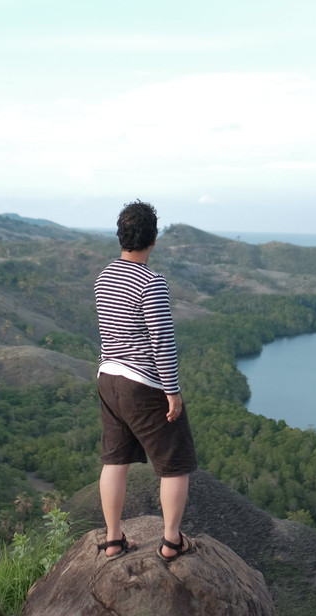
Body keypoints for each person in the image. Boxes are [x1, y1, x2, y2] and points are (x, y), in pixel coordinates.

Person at [94, 200, 198, 561]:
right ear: (153, 239)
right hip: (143, 384)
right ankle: (171, 541)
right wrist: (172, 392)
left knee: (114, 460)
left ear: (121, 237)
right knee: (175, 462)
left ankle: (112, 539)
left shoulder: (103, 277)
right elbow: (162, 342)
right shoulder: (151, 282)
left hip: (108, 379)